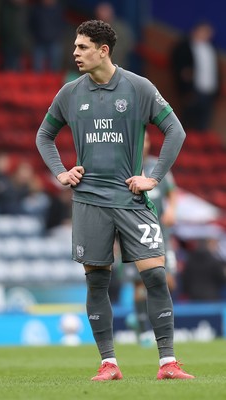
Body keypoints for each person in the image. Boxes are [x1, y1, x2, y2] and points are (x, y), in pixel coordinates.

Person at [36, 19, 194, 381]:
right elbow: (44, 135)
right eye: (75, 47)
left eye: (82, 47)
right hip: (89, 201)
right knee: (97, 282)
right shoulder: (69, 93)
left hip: (130, 198)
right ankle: (109, 363)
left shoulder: (138, 87)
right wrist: (62, 171)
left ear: (103, 50)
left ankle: (167, 363)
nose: (74, 53)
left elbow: (175, 130)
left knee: (155, 276)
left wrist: (153, 178)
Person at [124, 132, 178, 346]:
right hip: (134, 234)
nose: (142, 143)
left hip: (161, 234)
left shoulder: (157, 166)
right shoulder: (125, 166)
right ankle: (143, 327)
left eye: (145, 139)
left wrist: (172, 210)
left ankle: (143, 320)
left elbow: (172, 193)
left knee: (168, 281)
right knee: (140, 283)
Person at [171, 21, 220, 131]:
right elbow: (180, 68)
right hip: (192, 91)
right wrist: (185, 87)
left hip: (208, 92)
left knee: (202, 125)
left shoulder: (211, 49)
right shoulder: (185, 46)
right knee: (187, 122)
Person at [94, 2, 135, 70]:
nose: (103, 16)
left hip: (118, 65)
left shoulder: (121, 28)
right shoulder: (94, 28)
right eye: (100, 14)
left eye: (105, 12)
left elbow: (129, 43)